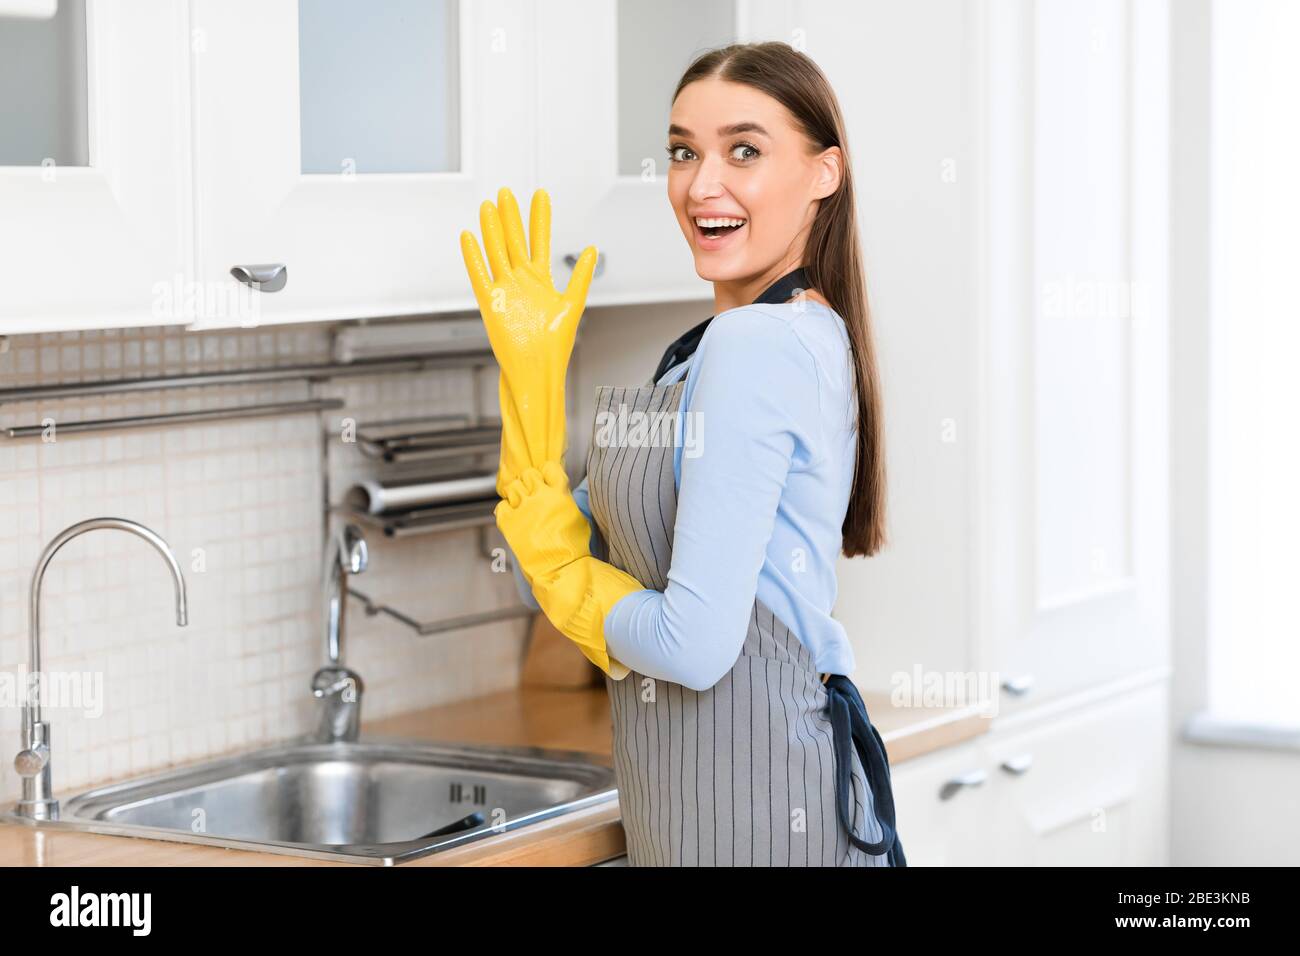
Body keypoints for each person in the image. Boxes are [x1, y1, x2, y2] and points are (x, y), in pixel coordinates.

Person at [462, 41, 904, 867]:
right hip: (702, 805)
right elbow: (553, 560)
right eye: (682, 152)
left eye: (745, 150)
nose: (703, 185)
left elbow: (688, 645)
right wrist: (529, 390)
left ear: (824, 173)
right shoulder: (701, 353)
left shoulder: (756, 348)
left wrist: (567, 580)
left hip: (761, 814)